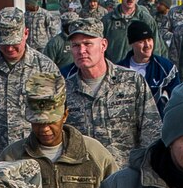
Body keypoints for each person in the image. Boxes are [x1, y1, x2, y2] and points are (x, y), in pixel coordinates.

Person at [62, 14, 162, 167]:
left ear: (103, 45)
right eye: (76, 45)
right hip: (84, 180)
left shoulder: (131, 81)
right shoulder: (65, 89)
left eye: (88, 44)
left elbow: (151, 131)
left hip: (125, 177)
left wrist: (144, 173)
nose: (81, 51)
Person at [0, 6, 59, 159]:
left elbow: (56, 119)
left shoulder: (44, 68)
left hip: (32, 157)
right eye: (4, 43)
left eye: (14, 42)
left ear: (26, 33)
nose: (10, 48)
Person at [119, 20, 177, 110]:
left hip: (159, 122)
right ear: (131, 43)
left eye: (149, 40)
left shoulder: (166, 69)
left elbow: (178, 100)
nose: (147, 45)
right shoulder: (118, 70)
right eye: (141, 41)